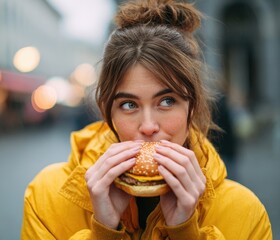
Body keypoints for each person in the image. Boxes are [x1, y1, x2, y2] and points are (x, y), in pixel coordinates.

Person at [21, 0, 273, 239]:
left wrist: (184, 233)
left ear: (192, 108)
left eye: (167, 101)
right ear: (108, 113)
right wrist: (104, 232)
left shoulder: (245, 211)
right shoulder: (47, 195)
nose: (149, 126)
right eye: (129, 105)